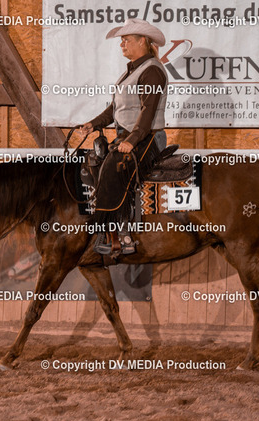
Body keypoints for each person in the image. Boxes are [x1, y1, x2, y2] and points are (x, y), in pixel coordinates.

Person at [79, 19, 168, 256]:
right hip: (131, 136)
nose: (122, 45)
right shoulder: (132, 72)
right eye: (122, 41)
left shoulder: (152, 71)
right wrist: (93, 124)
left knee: (114, 166)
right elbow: (115, 109)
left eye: (126, 40)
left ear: (142, 41)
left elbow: (148, 111)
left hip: (148, 137)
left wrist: (131, 140)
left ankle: (121, 235)